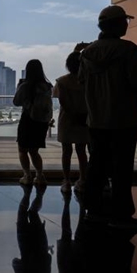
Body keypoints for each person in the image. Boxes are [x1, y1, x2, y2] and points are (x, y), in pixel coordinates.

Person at [79, 5, 137, 229]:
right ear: (118, 24)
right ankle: (121, 214)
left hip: (96, 119)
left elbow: (82, 83)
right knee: (122, 168)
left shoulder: (87, 54)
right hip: (123, 119)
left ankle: (94, 210)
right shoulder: (129, 51)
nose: (127, 25)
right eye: (125, 21)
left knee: (96, 166)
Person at [53, 48, 90, 194]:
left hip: (67, 120)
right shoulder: (88, 81)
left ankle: (66, 180)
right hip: (84, 119)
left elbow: (62, 102)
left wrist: (72, 114)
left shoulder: (62, 81)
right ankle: (82, 180)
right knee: (82, 151)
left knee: (66, 151)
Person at [13, 59, 53, 186]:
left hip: (28, 119)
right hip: (41, 122)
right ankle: (40, 176)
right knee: (34, 151)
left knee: (22, 149)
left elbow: (16, 102)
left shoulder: (26, 85)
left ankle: (27, 175)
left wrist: (19, 87)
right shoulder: (47, 86)